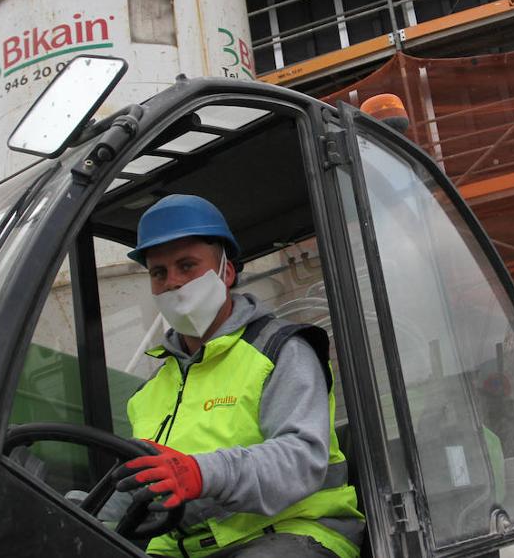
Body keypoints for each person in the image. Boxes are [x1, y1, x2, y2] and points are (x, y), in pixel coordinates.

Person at [113, 194, 364, 558]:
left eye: (186, 266)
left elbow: (301, 459)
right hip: (181, 549)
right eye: (159, 272)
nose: (172, 283)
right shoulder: (149, 391)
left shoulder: (280, 351)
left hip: (291, 535)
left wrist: (202, 473)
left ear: (226, 272)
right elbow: (133, 486)